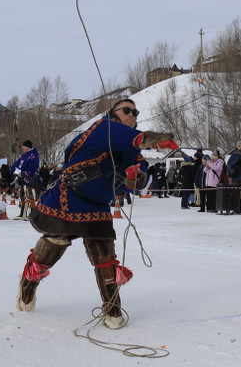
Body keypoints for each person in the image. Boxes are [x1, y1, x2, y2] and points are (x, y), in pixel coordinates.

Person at [17, 98, 172, 330]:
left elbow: (138, 179)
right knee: (51, 248)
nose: (132, 114)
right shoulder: (104, 127)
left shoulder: (131, 147)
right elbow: (135, 138)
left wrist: (136, 177)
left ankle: (112, 309)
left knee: (105, 256)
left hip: (98, 205)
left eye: (135, 112)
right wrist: (151, 138)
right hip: (69, 197)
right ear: (114, 112)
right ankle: (28, 283)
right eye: (126, 110)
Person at [11, 141, 40, 219]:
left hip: (29, 179)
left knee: (30, 196)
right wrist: (15, 170)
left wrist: (23, 173)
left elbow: (34, 169)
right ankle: (23, 214)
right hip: (21, 180)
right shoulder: (24, 155)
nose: (22, 148)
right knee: (23, 196)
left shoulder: (33, 156)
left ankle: (31, 215)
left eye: (23, 147)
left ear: (27, 147)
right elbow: (18, 164)